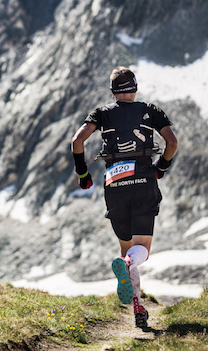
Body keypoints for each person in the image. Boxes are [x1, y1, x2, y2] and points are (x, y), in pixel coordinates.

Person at [70, 66, 177, 329]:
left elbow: (76, 141)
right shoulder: (150, 110)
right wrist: (160, 168)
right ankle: (130, 266)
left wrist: (83, 174)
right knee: (140, 252)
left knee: (126, 248)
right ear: (135, 88)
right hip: (143, 179)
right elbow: (172, 142)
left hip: (114, 183)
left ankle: (138, 311)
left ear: (113, 92)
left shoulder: (102, 113)